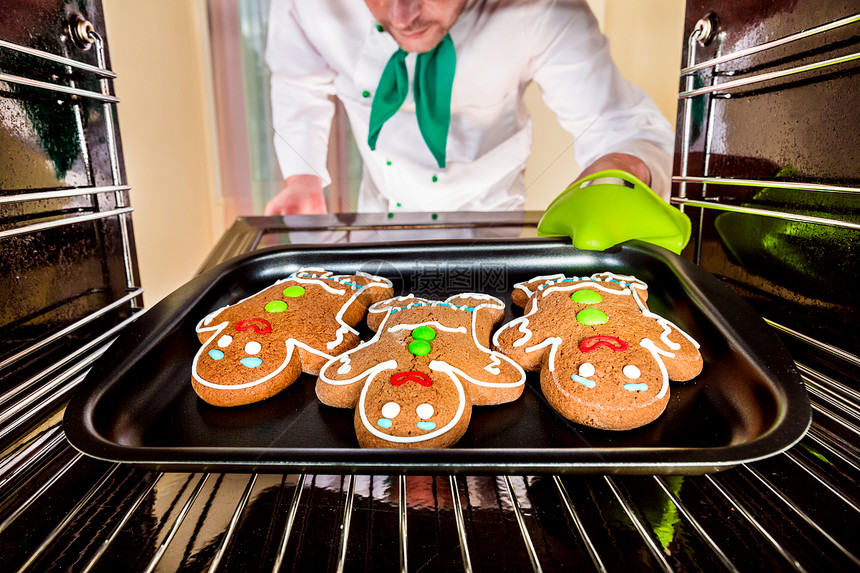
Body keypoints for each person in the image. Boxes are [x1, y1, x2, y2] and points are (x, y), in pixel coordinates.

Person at [263, 0, 674, 217]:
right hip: (380, 218)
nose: (402, 16)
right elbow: (297, 82)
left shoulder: (542, 7)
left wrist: (621, 166)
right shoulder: (307, 4)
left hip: (491, 222)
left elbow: (619, 125)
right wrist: (302, 178)